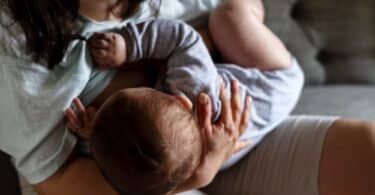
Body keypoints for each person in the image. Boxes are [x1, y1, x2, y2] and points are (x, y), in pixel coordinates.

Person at [0, 0, 374, 195]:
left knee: (366, 152)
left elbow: (205, 26)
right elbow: (57, 176)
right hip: (113, 183)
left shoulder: (193, 94)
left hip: (225, 145)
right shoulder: (13, 41)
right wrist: (196, 174)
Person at [63, 17, 301, 194]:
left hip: (232, 148)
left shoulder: (166, 171)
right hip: (275, 78)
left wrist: (90, 135)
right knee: (228, 18)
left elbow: (121, 157)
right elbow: (183, 39)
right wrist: (129, 45)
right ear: (180, 99)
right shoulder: (194, 89)